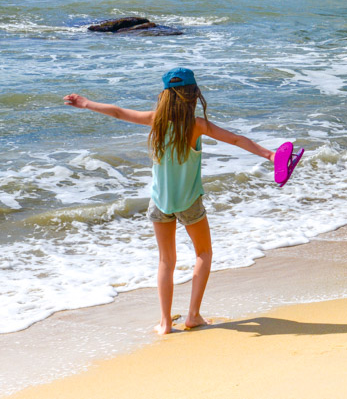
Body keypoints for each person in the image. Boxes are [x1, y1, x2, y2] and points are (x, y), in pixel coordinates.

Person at [64, 67, 275, 334]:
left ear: (165, 95)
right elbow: (235, 139)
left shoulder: (155, 121)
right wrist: (269, 155)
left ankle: (164, 322)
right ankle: (193, 316)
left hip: (160, 203)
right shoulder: (197, 125)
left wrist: (85, 103)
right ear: (194, 94)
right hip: (189, 202)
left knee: (166, 261)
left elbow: (117, 112)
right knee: (204, 253)